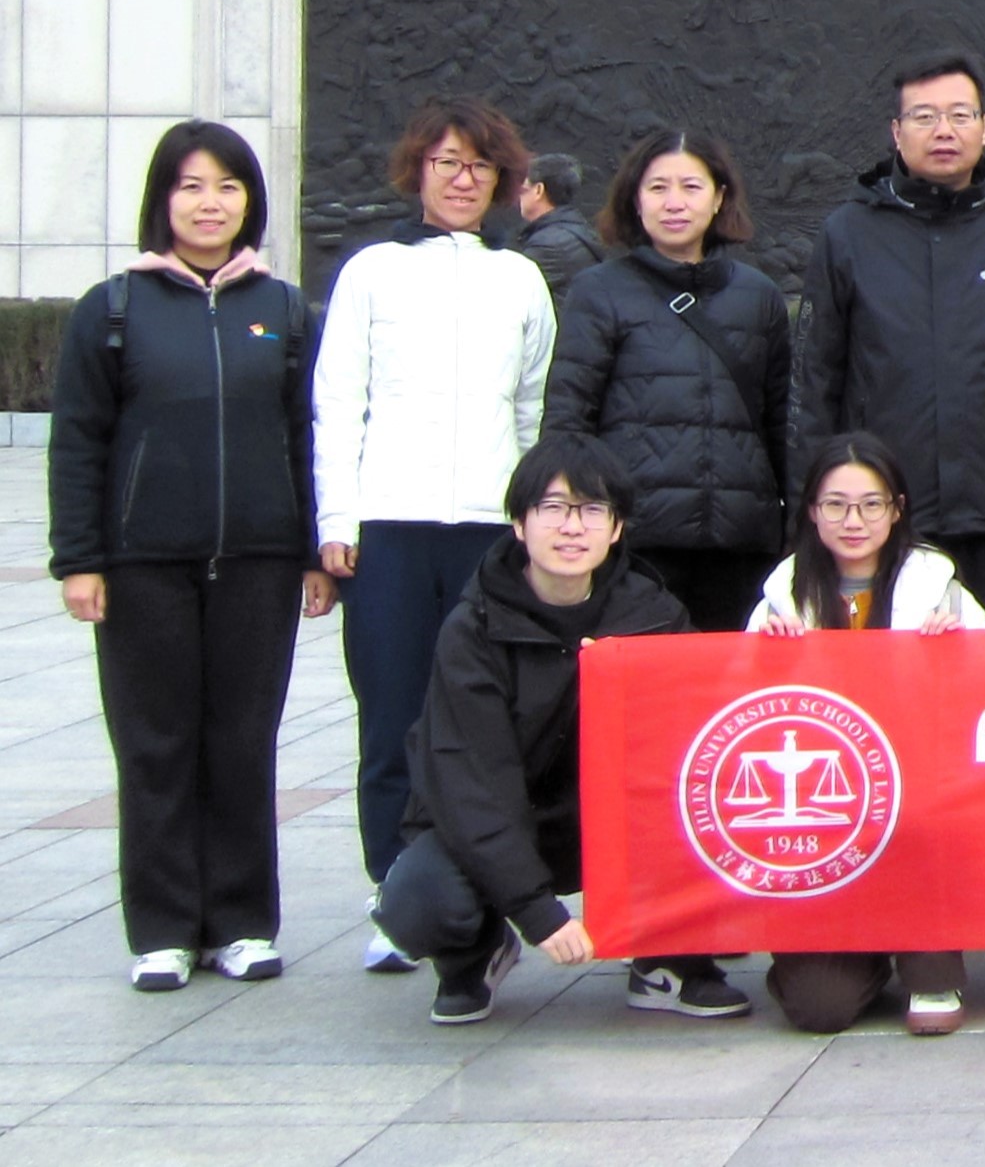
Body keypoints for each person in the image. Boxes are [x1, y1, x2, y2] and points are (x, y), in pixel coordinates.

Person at [51, 121, 331, 992]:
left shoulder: (283, 310)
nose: (210, 204)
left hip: (258, 561)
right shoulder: (113, 309)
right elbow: (79, 440)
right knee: (155, 745)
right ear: (162, 199)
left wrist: (313, 550)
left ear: (250, 202)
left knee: (242, 742)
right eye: (191, 186)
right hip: (143, 564)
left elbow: (306, 436)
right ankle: (165, 929)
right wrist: (79, 558)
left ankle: (242, 922)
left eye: (228, 187)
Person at [371, 439, 735, 1024]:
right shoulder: (473, 628)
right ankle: (474, 954)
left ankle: (668, 960)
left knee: (704, 816)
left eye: (592, 510)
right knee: (420, 900)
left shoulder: (653, 613)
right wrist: (536, 912)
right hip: (500, 814)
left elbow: (710, 729)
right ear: (519, 524)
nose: (572, 527)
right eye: (553, 508)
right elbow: (472, 784)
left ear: (616, 528)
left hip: (611, 820)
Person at [315, 95, 557, 972]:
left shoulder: (519, 279)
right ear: (417, 170)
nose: (463, 179)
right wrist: (336, 520)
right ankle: (396, 894)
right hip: (389, 526)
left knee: (489, 723)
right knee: (393, 717)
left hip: (488, 532)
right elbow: (338, 399)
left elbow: (530, 408)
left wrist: (529, 527)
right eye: (447, 162)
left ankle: (489, 896)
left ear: (501, 180)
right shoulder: (372, 271)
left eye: (480, 165)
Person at [795, 50, 985, 625]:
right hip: (881, 520)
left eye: (960, 115)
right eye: (924, 116)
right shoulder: (847, 236)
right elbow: (815, 382)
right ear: (896, 131)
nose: (944, 130)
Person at [749, 433, 985, 1033]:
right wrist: (765, 661)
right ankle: (865, 959)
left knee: (929, 823)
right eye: (836, 505)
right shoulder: (780, 599)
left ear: (897, 509)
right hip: (824, 817)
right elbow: (743, 717)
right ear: (812, 511)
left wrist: (960, 654)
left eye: (870, 504)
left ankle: (930, 966)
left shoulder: (940, 589)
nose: (853, 521)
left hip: (918, 810)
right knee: (818, 1008)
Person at [541, 129, 794, 634]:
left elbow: (782, 420)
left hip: (739, 542)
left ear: (719, 197)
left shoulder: (758, 296)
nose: (674, 202)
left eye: (691, 187)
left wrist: (795, 525)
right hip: (637, 541)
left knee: (728, 679)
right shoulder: (600, 291)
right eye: (658, 188)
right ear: (635, 199)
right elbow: (570, 416)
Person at [513, 153, 604, 300]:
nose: (519, 196)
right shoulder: (574, 231)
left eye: (523, 189)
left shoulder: (549, 246)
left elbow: (505, 292)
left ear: (538, 190)